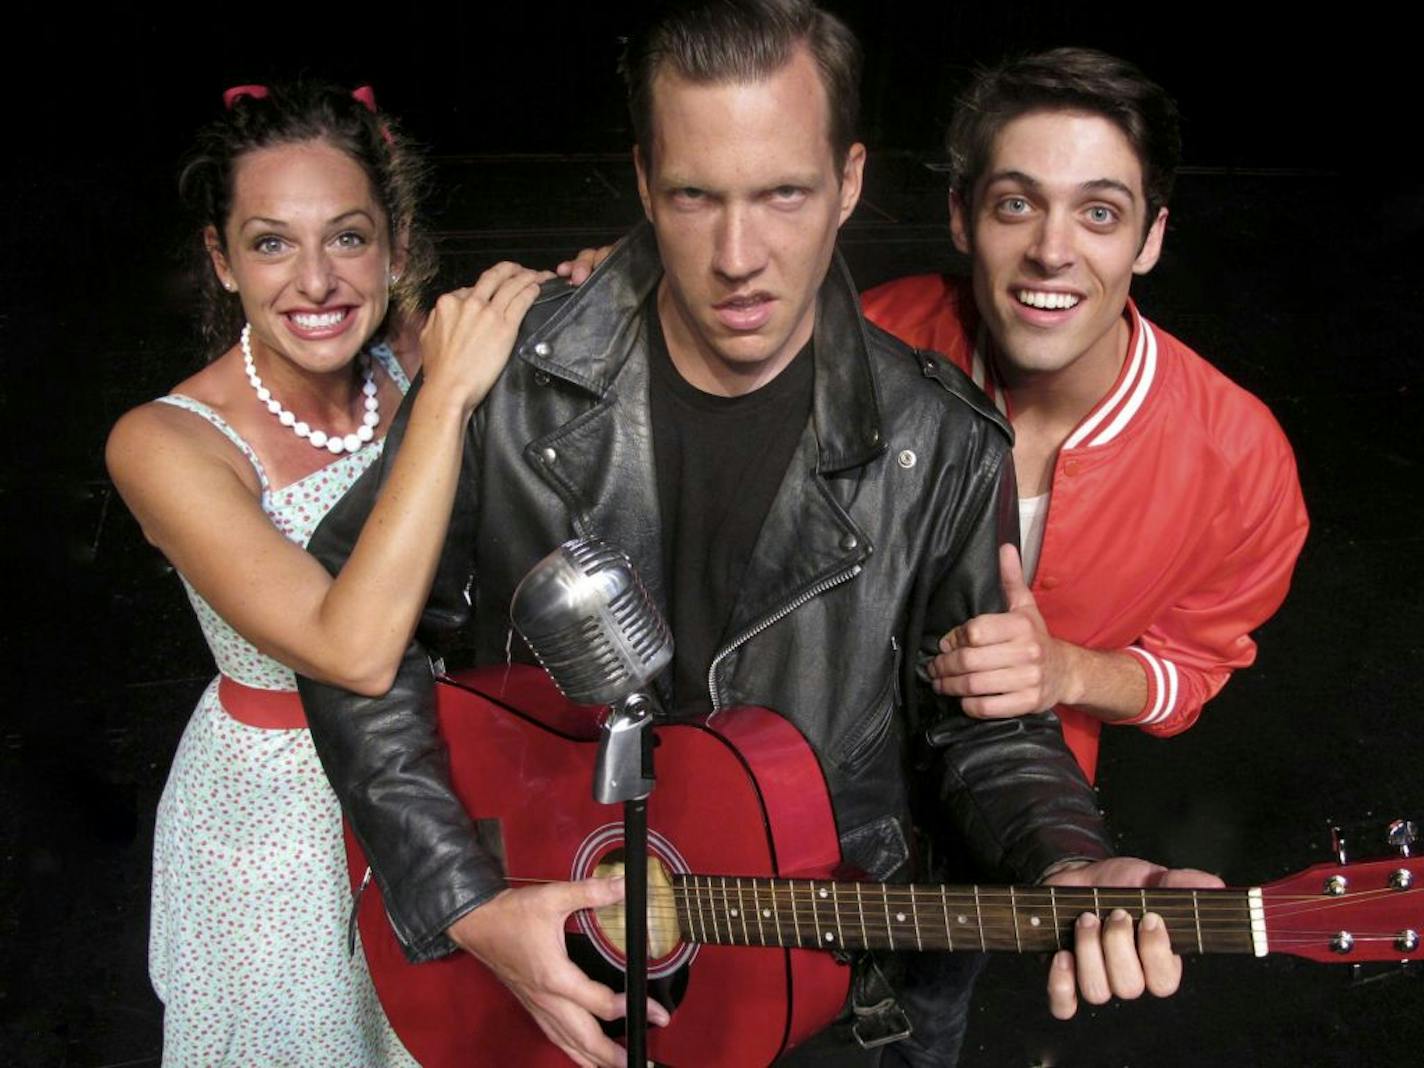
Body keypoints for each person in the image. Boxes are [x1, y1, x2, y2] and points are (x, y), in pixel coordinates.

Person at [299, 5, 1220, 1067]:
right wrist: (459, 901)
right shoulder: (505, 379)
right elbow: (356, 637)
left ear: (848, 182)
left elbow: (982, 727)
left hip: (820, 1001)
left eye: (783, 193)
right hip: (558, 968)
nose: (739, 256)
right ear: (645, 182)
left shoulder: (939, 443)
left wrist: (1069, 864)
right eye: (696, 196)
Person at [105, 81, 548, 1065]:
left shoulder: (402, 362)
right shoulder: (166, 442)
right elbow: (350, 649)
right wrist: (447, 397)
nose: (316, 280)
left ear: (393, 245)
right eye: (271, 242)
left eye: (347, 238)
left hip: (427, 782)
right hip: (271, 833)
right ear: (222, 260)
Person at [861, 49, 1309, 782]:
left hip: (1022, 811)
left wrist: (1065, 671)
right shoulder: (865, 346)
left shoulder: (1242, 461)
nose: (1052, 251)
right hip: (806, 780)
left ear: (1151, 238)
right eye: (1016, 204)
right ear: (962, 217)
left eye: (1099, 213)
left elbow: (1186, 674)